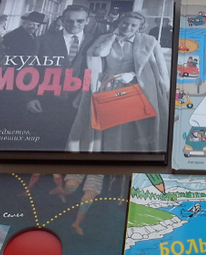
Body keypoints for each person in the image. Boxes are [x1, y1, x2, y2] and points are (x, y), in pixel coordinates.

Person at [67, 11, 170, 153]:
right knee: (104, 125)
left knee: (127, 127)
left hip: (134, 87)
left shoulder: (149, 41)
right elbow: (98, 54)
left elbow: (156, 69)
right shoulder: (105, 38)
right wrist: (112, 37)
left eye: (133, 25)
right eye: (125, 23)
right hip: (106, 85)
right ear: (119, 23)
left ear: (140, 28)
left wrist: (132, 75)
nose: (128, 27)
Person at [25, 5, 95, 151]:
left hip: (81, 102)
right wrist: (30, 97)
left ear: (87, 21)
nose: (74, 24)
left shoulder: (95, 41)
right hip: (47, 102)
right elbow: (28, 71)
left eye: (80, 21)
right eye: (69, 21)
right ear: (62, 20)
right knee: (45, 144)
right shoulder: (43, 40)